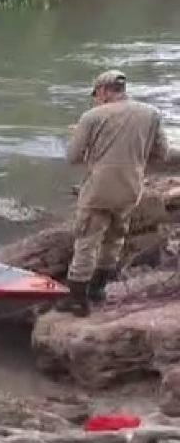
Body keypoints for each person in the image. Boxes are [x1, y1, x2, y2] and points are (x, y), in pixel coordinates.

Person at [59, 69, 170, 317]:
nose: (96, 99)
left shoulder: (91, 116)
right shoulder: (150, 114)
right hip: (130, 189)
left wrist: (84, 136)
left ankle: (77, 300)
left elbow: (73, 157)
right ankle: (98, 290)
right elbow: (161, 154)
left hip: (98, 190)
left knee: (87, 240)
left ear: (104, 91)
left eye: (96, 94)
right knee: (115, 239)